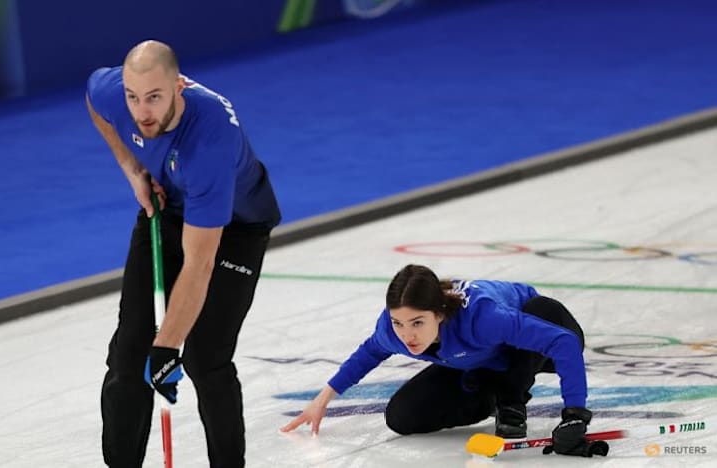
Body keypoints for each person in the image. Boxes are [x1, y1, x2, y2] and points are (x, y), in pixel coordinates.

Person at [86, 40, 281, 468]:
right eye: (133, 98)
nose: (142, 111)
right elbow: (93, 98)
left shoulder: (209, 142)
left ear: (178, 87)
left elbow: (200, 264)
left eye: (154, 97)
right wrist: (131, 169)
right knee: (127, 358)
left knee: (204, 357)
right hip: (165, 209)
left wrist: (168, 346)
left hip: (235, 229)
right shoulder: (114, 94)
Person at [281, 264, 609, 458]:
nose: (407, 336)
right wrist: (322, 399)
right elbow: (367, 354)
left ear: (439, 314)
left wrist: (574, 415)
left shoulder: (482, 316)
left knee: (539, 314)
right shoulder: (393, 331)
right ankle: (489, 393)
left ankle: (511, 398)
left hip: (544, 334)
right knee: (402, 417)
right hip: (481, 358)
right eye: (399, 323)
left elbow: (563, 342)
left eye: (418, 323)